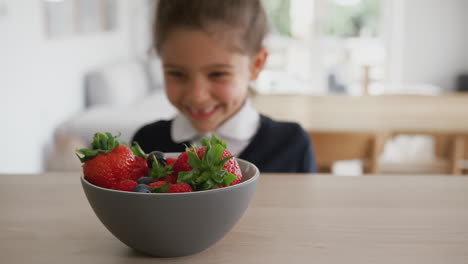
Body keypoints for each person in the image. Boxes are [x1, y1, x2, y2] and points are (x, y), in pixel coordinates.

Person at [132, 0, 316, 173]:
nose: (197, 96)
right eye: (177, 74)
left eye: (217, 74)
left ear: (256, 65)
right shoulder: (147, 143)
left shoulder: (291, 145)